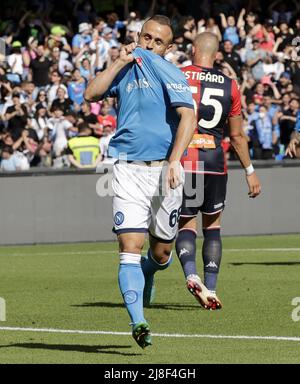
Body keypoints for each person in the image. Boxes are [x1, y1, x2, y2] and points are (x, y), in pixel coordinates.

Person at [84, 15, 195, 349]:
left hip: (165, 170)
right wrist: (118, 61)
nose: (148, 45)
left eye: (157, 41)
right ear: (138, 35)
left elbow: (188, 117)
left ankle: (150, 270)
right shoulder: (128, 67)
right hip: (128, 168)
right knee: (129, 247)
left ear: (169, 47)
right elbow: (92, 93)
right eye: (145, 37)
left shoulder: (171, 73)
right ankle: (139, 321)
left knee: (161, 254)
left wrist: (175, 159)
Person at [174, 32, 261, 310]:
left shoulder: (176, 76)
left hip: (185, 160)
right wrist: (249, 170)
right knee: (213, 226)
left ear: (193, 50)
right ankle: (210, 288)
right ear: (216, 54)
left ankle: (191, 274)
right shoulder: (230, 85)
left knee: (186, 224)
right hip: (214, 162)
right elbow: (237, 136)